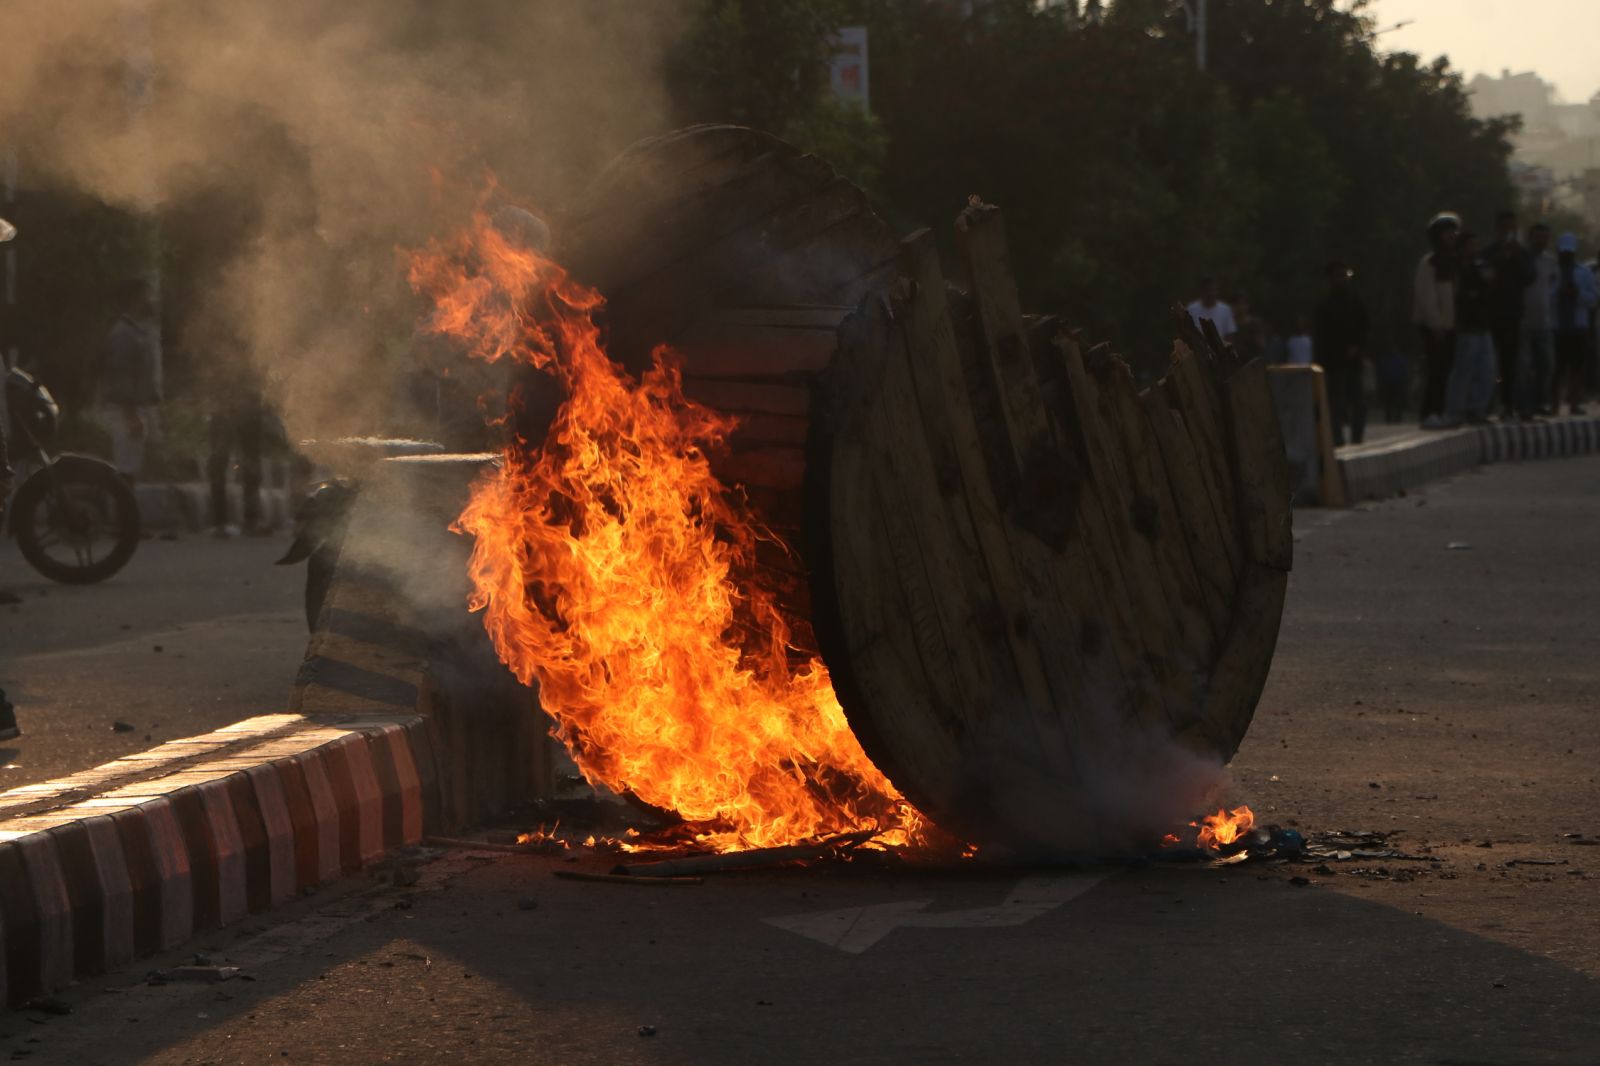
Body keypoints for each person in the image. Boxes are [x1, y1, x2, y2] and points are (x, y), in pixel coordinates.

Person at [101, 277, 163, 481]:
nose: (150, 300)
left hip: (136, 408)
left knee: (132, 467)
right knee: (125, 468)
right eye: (146, 295)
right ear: (133, 299)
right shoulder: (123, 334)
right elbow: (121, 376)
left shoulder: (139, 332)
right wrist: (130, 415)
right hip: (125, 410)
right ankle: (120, 511)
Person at [1443, 231, 1497, 426]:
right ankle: (1455, 411)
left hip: (1482, 326)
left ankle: (1477, 410)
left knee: (1487, 371)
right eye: (1471, 245)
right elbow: (1458, 296)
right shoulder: (1455, 269)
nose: (1475, 249)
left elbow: (1485, 291)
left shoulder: (1478, 268)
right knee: (1463, 371)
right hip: (1466, 327)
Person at [1313, 260, 1370, 446]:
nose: (1343, 279)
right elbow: (1322, 337)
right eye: (1338, 275)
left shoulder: (1356, 302)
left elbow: (1365, 328)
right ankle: (1337, 440)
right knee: (1336, 405)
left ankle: (1357, 438)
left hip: (1354, 362)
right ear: (1330, 279)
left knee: (1359, 404)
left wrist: (1357, 347)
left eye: (1345, 275)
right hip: (1334, 363)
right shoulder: (1325, 307)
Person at [1484, 209, 1534, 418]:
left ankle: (1508, 404)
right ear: (1498, 229)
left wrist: (1514, 258)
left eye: (1512, 227)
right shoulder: (1488, 252)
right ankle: (1484, 404)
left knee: (1511, 362)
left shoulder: (1521, 253)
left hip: (1514, 315)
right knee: (1487, 363)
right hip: (1491, 315)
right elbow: (1484, 277)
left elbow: (1529, 277)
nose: (1508, 231)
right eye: (1505, 227)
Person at [205, 367, 266, 537]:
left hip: (242, 402)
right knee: (221, 461)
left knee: (248, 462)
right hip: (230, 402)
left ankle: (248, 521)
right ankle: (223, 523)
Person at [1414, 212, 1459, 428]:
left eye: (1453, 233)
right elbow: (1426, 297)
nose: (1451, 237)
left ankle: (1442, 411)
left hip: (1451, 326)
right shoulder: (1430, 263)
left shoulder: (1452, 262)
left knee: (1448, 371)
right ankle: (1429, 412)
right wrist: (1436, 325)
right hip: (1434, 327)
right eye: (1447, 233)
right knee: (1436, 370)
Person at [1551, 232, 1598, 416]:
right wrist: (1559, 293)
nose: (1566, 256)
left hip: (1578, 326)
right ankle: (1554, 404)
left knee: (1577, 366)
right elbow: (1545, 296)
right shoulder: (1553, 270)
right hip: (1557, 326)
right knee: (1558, 367)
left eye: (1569, 253)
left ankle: (1574, 403)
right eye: (1564, 253)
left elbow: (1594, 298)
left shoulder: (1584, 272)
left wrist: (1577, 294)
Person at [1519, 223, 1558, 419]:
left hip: (1544, 321)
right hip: (1523, 320)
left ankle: (1540, 403)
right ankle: (1524, 406)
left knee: (1546, 364)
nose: (1541, 241)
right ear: (1530, 238)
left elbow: (1551, 283)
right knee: (1525, 366)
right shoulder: (1522, 259)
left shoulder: (1550, 262)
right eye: (1537, 237)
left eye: (1545, 237)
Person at [1185, 277, 1237, 343]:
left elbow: (1229, 334)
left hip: (1220, 350)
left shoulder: (1225, 309)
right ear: (1201, 291)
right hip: (1198, 349)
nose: (1210, 294)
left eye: (1213, 290)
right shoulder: (1191, 309)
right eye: (1207, 290)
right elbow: (1187, 332)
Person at [1230, 291, 1268, 363]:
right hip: (1234, 365)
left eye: (1243, 304)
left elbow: (1262, 344)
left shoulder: (1254, 324)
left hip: (1252, 364)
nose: (1240, 307)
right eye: (1237, 304)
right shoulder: (1229, 324)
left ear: (1247, 305)